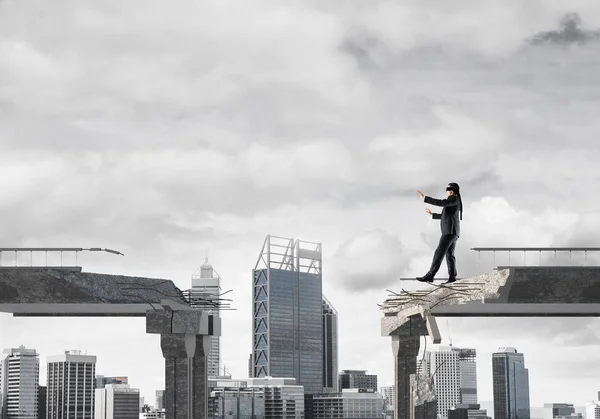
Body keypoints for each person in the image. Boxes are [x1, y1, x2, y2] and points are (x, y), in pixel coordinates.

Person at [415, 183, 463, 284]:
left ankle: (430, 275)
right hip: (453, 232)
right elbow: (445, 216)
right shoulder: (455, 200)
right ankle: (452, 277)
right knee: (449, 255)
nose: (446, 191)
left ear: (451, 191)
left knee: (439, 252)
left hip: (449, 231)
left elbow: (441, 203)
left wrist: (424, 198)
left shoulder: (453, 199)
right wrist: (432, 214)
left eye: (447, 189)